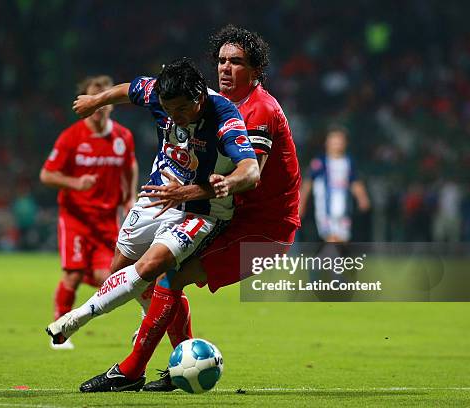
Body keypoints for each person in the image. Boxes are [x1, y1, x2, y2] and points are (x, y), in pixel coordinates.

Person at [78, 25, 302, 393]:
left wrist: (217, 185)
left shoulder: (259, 110)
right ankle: (177, 356)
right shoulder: (210, 101)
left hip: (265, 230)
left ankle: (132, 369)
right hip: (223, 210)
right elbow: (140, 88)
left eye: (237, 62)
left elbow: (252, 175)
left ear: (257, 70)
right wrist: (97, 100)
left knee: (168, 274)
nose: (226, 68)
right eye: (222, 61)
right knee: (134, 268)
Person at [46, 57, 260, 390]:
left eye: (180, 111)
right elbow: (129, 89)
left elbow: (251, 170)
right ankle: (176, 347)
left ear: (198, 99)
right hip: (158, 196)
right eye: (168, 110)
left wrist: (227, 183)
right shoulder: (159, 93)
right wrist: (95, 101)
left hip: (201, 210)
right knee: (118, 274)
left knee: (152, 268)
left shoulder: (224, 116)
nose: (174, 118)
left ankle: (77, 318)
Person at [40, 75, 138, 349]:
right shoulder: (72, 137)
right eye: (93, 99)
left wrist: (129, 197)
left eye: (104, 100)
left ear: (110, 104)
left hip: (107, 220)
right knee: (72, 273)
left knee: (112, 277)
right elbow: (47, 174)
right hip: (76, 218)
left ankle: (83, 274)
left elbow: (130, 167)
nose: (100, 106)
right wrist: (75, 183)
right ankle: (59, 333)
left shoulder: (123, 137)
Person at [299, 125, 370, 243]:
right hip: (325, 210)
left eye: (340, 141)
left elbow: (355, 182)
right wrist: (301, 204)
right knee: (332, 239)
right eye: (334, 140)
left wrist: (362, 198)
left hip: (344, 210)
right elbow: (308, 183)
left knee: (342, 241)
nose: (337, 144)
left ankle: (325, 260)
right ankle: (325, 260)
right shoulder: (320, 162)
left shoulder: (349, 162)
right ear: (327, 143)